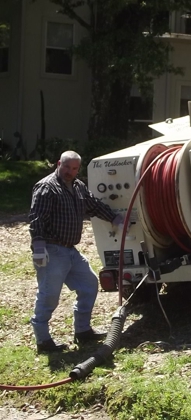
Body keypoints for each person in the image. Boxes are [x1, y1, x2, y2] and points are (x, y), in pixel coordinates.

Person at [29, 150, 124, 353]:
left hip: (70, 250)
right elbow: (36, 218)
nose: (70, 172)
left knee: (89, 283)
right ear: (58, 163)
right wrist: (38, 247)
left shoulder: (78, 187)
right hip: (52, 249)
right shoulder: (47, 187)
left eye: (74, 168)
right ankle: (42, 340)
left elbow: (93, 204)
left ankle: (82, 330)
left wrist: (114, 218)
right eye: (66, 167)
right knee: (49, 295)